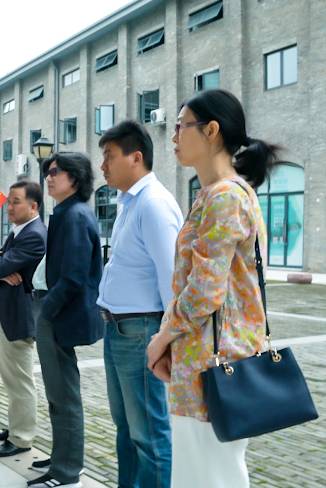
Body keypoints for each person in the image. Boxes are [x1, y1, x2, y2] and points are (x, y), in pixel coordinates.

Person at [146, 88, 280, 488]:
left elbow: (205, 290)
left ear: (211, 131)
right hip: (208, 361)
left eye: (181, 126)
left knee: (209, 476)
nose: (173, 136)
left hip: (214, 366)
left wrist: (161, 338)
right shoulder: (217, 194)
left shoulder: (224, 196)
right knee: (205, 474)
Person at [97, 120, 183, 488]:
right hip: (119, 327)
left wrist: (167, 340)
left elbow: (172, 278)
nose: (103, 165)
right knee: (127, 429)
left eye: (109, 156)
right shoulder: (130, 202)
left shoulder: (153, 203)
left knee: (149, 434)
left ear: (136, 158)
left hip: (141, 329)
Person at [29, 152, 104, 488]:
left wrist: (47, 310)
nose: (48, 177)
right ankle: (63, 457)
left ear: (75, 177)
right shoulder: (68, 212)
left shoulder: (75, 215)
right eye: (47, 171)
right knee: (58, 393)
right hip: (55, 312)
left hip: (58, 315)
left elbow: (74, 276)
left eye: (55, 171)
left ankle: (67, 472)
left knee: (63, 395)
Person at [0, 180, 47, 458]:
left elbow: (1, 265)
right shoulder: (20, 231)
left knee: (20, 379)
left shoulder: (34, 234)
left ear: (33, 206)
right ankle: (15, 426)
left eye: (16, 201)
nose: (9, 207)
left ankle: (21, 437)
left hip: (19, 316)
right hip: (7, 310)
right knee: (12, 378)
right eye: (8, 201)